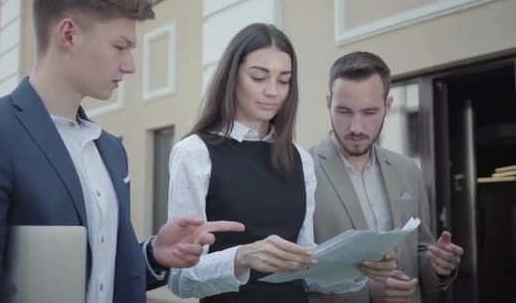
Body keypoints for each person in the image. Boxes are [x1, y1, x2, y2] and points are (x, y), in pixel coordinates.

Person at [0, 0, 244, 302]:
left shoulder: (110, 149)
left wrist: (153, 254)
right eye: (120, 46)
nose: (131, 65)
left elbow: (102, 275)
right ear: (69, 34)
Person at [166, 24, 396, 303]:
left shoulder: (301, 159)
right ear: (231, 77)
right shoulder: (194, 153)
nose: (273, 91)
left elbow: (304, 268)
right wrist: (241, 258)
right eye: (259, 77)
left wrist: (357, 268)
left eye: (284, 80)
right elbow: (180, 279)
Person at [308, 51, 464, 303]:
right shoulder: (301, 171)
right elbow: (292, 273)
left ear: (388, 106)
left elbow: (420, 250)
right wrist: (366, 293)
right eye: (344, 112)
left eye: (369, 112)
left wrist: (437, 264)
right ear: (328, 102)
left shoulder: (408, 170)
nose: (356, 127)